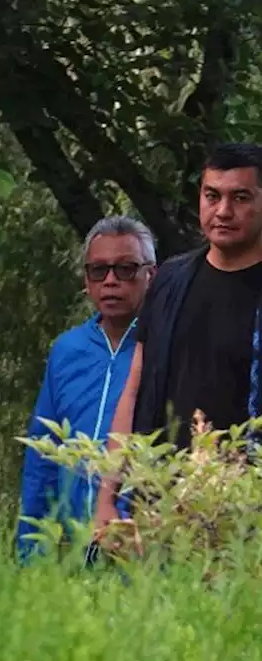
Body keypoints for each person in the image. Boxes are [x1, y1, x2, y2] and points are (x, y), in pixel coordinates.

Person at [95, 143, 262, 532]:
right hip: (163, 506)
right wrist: (107, 496)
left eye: (240, 198)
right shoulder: (171, 280)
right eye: (212, 196)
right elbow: (134, 392)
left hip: (246, 511)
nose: (223, 211)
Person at [15, 217, 154, 560]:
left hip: (142, 545)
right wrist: (30, 550)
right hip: (73, 545)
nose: (110, 281)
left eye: (125, 269)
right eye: (99, 271)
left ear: (151, 275)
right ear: (85, 280)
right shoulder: (67, 350)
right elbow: (43, 455)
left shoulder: (168, 348)